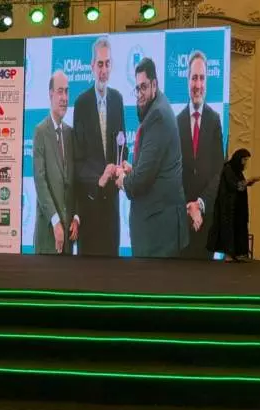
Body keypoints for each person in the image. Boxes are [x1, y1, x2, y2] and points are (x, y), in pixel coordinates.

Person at [116, 57, 188, 257]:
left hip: (158, 236)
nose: (140, 94)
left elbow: (140, 181)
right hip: (159, 231)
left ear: (154, 85)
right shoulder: (158, 107)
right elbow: (153, 168)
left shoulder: (158, 116)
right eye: (137, 88)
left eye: (144, 87)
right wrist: (134, 169)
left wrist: (123, 180)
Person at [73, 37, 126, 257]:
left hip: (112, 208)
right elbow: (78, 160)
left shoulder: (118, 100)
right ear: (92, 66)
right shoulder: (81, 103)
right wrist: (99, 179)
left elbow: (122, 144)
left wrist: (123, 165)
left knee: (113, 270)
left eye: (107, 64)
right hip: (90, 206)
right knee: (87, 271)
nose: (104, 70)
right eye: (100, 64)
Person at [177, 51, 224, 260]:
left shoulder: (215, 121)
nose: (198, 84)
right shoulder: (177, 122)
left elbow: (219, 172)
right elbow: (173, 173)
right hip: (182, 222)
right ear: (187, 80)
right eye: (194, 78)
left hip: (207, 222)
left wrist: (200, 205)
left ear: (206, 81)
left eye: (202, 78)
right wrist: (189, 207)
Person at [33, 70, 79, 255]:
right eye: (60, 91)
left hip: (69, 236)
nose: (64, 98)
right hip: (48, 234)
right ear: (50, 94)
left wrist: (76, 216)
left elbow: (75, 181)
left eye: (67, 92)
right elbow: (40, 181)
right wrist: (55, 221)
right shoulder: (40, 132)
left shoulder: (70, 134)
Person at [207, 149, 260, 262]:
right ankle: (229, 255)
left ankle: (238, 254)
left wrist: (249, 182)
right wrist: (247, 181)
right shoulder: (228, 169)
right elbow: (235, 185)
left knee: (238, 228)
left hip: (237, 207)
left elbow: (240, 186)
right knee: (228, 229)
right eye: (244, 160)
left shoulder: (237, 171)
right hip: (228, 207)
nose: (245, 163)